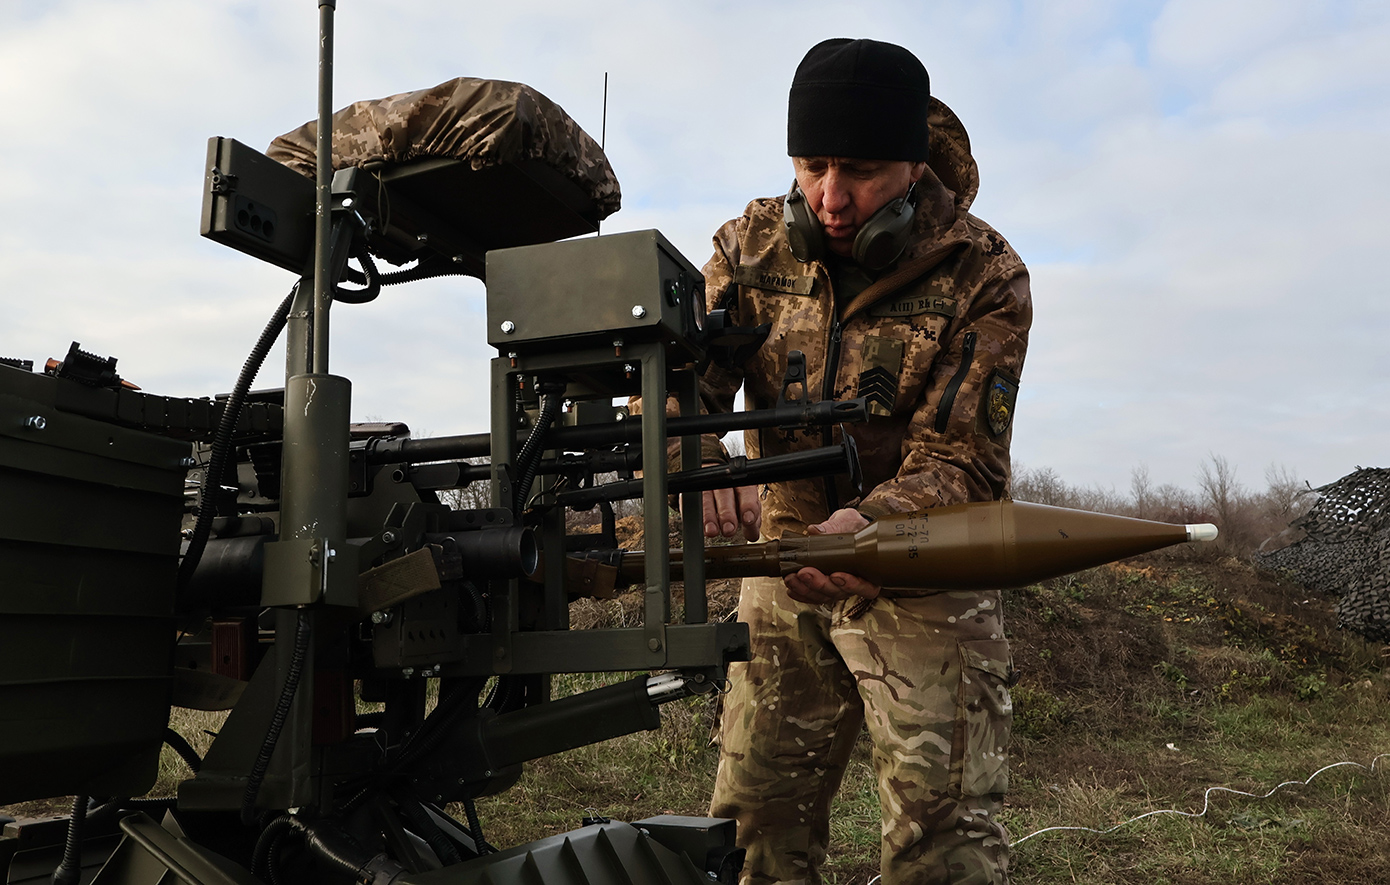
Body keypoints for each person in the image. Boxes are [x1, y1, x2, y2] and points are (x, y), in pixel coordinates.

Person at [694, 38, 1032, 885]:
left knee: (941, 840)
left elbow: (964, 460)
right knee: (749, 833)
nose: (832, 198)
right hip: (783, 562)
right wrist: (693, 449)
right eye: (812, 167)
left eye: (864, 172)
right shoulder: (748, 248)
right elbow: (677, 383)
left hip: (924, 566)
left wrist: (867, 527)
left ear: (914, 166)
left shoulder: (985, 273)